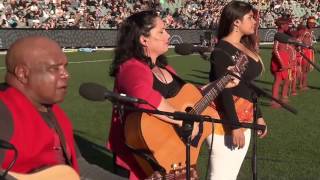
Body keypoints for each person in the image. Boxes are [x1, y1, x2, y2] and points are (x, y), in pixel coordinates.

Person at [106, 10, 239, 180]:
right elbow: (144, 97)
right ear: (143, 39)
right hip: (143, 159)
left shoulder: (165, 69)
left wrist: (220, 83)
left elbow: (191, 97)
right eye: (161, 31)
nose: (168, 35)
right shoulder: (132, 67)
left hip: (174, 155)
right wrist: (182, 118)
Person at [0, 36, 123, 180]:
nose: (66, 74)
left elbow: (81, 168)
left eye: (65, 67)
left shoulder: (54, 112)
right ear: (23, 73)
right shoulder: (4, 108)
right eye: (54, 68)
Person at [205, 1, 267, 180]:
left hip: (245, 117)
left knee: (230, 175)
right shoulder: (222, 50)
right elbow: (223, 90)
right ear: (236, 22)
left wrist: (258, 115)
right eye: (250, 18)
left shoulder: (244, 46)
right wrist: (235, 126)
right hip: (227, 122)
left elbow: (248, 85)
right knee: (221, 176)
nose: (254, 22)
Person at [270, 16, 291, 108]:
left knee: (287, 80)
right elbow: (275, 50)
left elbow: (286, 48)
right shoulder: (278, 35)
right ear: (282, 25)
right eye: (286, 24)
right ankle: (274, 101)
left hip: (285, 60)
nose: (288, 26)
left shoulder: (283, 35)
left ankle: (284, 97)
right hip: (279, 61)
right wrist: (281, 63)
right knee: (278, 81)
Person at [299, 16, 316, 90]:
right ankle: (301, 85)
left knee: (306, 70)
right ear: (307, 23)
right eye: (310, 23)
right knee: (303, 69)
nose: (312, 25)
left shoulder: (311, 31)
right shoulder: (304, 30)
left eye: (313, 23)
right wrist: (306, 47)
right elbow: (299, 40)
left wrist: (311, 47)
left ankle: (304, 84)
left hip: (309, 51)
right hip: (304, 52)